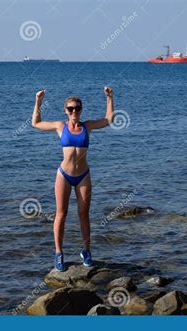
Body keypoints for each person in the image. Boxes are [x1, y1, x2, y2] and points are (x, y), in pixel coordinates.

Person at [32, 87, 114, 271]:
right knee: (61, 214)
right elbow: (35, 123)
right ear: (65, 111)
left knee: (84, 215)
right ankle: (58, 253)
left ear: (81, 109)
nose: (74, 111)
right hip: (64, 175)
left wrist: (110, 97)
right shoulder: (60, 126)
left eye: (77, 108)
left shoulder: (87, 126)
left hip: (83, 176)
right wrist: (38, 100)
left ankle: (86, 251)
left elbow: (109, 120)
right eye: (70, 109)